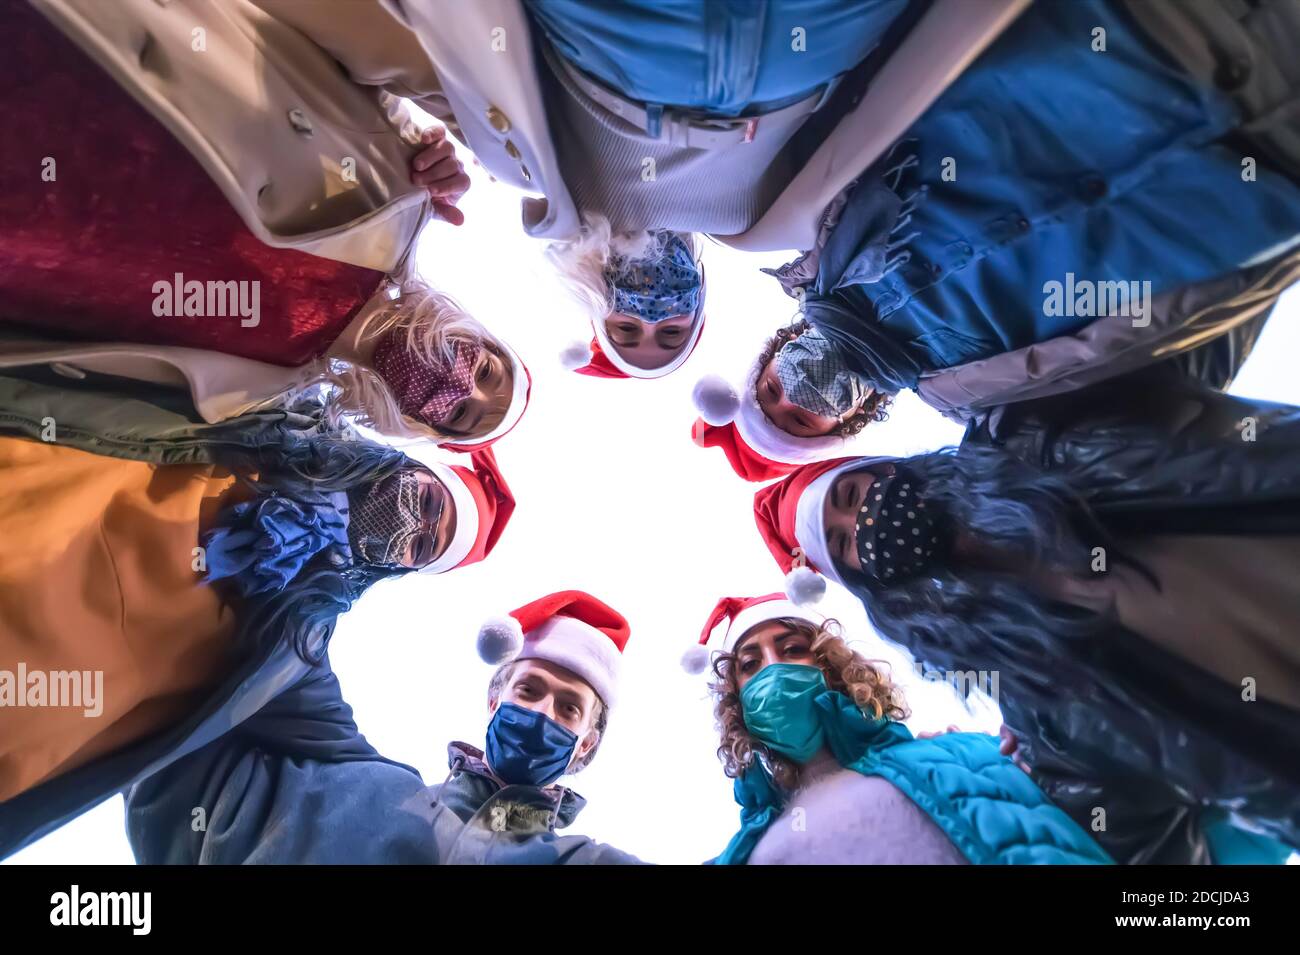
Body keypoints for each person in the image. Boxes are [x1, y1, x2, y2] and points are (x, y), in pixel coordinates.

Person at [714, 0, 1300, 473]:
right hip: (1248, 190)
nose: (795, 395)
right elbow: (1169, 364)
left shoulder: (806, 229)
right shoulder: (983, 403)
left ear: (773, 351)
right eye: (799, 422)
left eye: (770, 391)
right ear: (848, 424)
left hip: (1132, 41)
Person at [749, 366, 1300, 862]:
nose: (865, 524)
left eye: (851, 494)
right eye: (846, 546)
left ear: (886, 469)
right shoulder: (1038, 699)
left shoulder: (1029, 426)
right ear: (874, 585)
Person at [0, 360, 513, 857]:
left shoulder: (294, 644)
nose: (412, 526)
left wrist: (489, 798)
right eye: (428, 503)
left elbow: (355, 771)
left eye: (422, 548)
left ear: (398, 569)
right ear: (411, 467)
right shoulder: (271, 407)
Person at [0, 1, 529, 449]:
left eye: (460, 415)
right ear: (480, 336)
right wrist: (418, 143)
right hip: (64, 45)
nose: (465, 389)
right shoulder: (401, 198)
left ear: (419, 425)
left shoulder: (242, 398)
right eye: (485, 373)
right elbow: (337, 46)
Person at [124, 591, 645, 864]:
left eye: (570, 708)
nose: (541, 715)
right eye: (528, 690)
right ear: (493, 701)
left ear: (588, 745)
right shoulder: (351, 787)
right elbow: (265, 652)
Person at [683, 593, 1110, 864]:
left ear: (830, 666)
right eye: (750, 665)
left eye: (793, 649)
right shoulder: (739, 854)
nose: (773, 670)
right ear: (736, 700)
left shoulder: (963, 753)